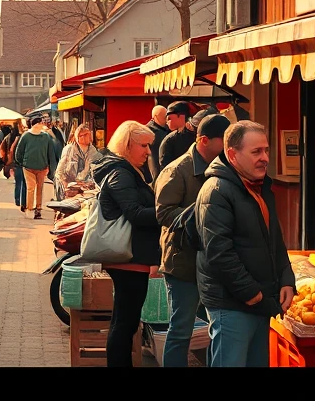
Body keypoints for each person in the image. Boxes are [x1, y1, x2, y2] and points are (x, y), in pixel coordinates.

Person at [196, 121, 294, 367]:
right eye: (256, 152)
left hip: (260, 303)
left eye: (266, 150)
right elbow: (219, 253)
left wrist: (286, 279)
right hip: (233, 305)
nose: (265, 158)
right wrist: (253, 295)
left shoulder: (261, 187)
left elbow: (274, 240)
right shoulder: (216, 190)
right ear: (232, 155)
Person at [154, 114, 230, 367]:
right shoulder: (177, 170)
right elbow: (163, 213)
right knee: (181, 329)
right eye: (223, 142)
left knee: (215, 328)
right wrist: (202, 214)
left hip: (213, 261)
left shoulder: (222, 168)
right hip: (183, 262)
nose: (228, 148)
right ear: (204, 140)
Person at [89, 120, 161, 367]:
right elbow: (135, 213)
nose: (148, 151)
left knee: (126, 321)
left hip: (133, 257)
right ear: (127, 144)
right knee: (124, 322)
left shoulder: (126, 170)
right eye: (143, 145)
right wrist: (166, 212)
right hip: (128, 258)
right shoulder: (121, 173)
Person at [14, 115, 59, 219]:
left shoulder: (46, 136)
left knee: (40, 188)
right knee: (30, 188)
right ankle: (30, 209)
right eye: (39, 123)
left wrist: (50, 166)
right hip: (28, 168)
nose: (41, 124)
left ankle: (38, 209)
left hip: (42, 167)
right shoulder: (26, 136)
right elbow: (19, 151)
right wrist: (22, 163)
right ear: (35, 124)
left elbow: (50, 152)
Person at [55, 122, 101, 198]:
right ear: (77, 137)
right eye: (81, 135)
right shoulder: (69, 149)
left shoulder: (94, 152)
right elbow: (60, 171)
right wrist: (64, 186)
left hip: (86, 190)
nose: (84, 137)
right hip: (69, 188)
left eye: (87, 134)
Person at [158, 101, 194, 171]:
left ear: (181, 116)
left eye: (169, 118)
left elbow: (164, 167)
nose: (167, 122)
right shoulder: (197, 134)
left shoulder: (170, 140)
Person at [146, 105, 170, 181]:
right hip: (155, 165)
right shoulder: (148, 131)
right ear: (156, 117)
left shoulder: (167, 128)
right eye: (164, 116)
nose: (166, 118)